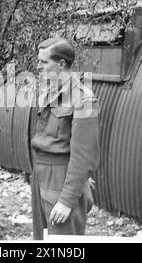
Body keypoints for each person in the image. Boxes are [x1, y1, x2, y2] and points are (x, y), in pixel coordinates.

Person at [31, 37, 100, 240]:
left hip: (60, 181)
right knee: (41, 239)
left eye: (44, 62)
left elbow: (84, 155)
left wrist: (67, 199)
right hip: (41, 176)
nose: (38, 67)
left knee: (62, 243)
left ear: (61, 64)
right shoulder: (48, 94)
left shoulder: (83, 99)